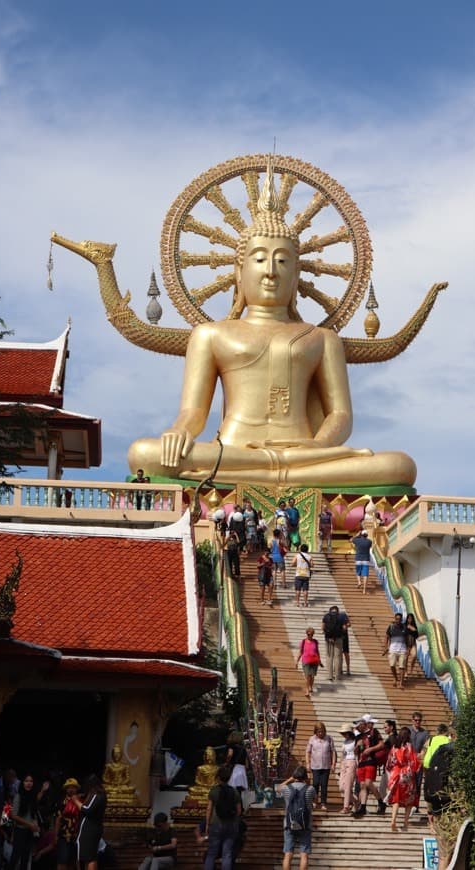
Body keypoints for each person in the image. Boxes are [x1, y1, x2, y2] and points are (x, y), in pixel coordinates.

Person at [121, 160, 417, 488]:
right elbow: (195, 413)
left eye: (282, 260)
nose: (270, 271)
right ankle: (276, 473)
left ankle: (273, 473)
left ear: (297, 274)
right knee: (145, 454)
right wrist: (179, 432)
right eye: (260, 259)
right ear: (239, 271)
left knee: (399, 465)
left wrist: (318, 446)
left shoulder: (321, 338)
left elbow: (341, 416)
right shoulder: (211, 335)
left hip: (304, 453)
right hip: (230, 452)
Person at [277, 765, 316, 870]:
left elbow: (278, 788)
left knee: (288, 854)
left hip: (289, 824)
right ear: (305, 776)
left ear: (295, 776)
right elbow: (314, 802)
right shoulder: (310, 789)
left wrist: (290, 779)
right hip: (305, 824)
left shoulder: (286, 789)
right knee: (304, 855)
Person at [203, 766, 242, 870]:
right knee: (227, 854)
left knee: (211, 854)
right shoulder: (234, 792)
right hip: (231, 825)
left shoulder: (214, 791)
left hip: (216, 824)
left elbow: (209, 809)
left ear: (218, 777)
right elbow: (239, 811)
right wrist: (233, 819)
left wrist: (207, 825)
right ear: (229, 778)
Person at [385, 727, 421, 832]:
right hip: (407, 774)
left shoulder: (394, 747)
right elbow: (414, 762)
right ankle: (405, 823)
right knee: (409, 800)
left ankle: (393, 820)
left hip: (396, 774)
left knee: (396, 799)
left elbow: (389, 763)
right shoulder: (409, 747)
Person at [352, 715, 386, 817]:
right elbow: (355, 752)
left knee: (368, 783)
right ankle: (363, 806)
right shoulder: (358, 736)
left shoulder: (374, 732)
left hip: (371, 761)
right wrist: (358, 745)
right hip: (361, 762)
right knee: (362, 785)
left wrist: (370, 749)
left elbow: (381, 744)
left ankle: (380, 801)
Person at [73, 775, 107, 870]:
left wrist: (76, 801)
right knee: (87, 857)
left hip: (90, 830)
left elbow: (87, 809)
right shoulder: (97, 795)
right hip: (90, 829)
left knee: (90, 857)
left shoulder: (98, 794)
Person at [9, 773, 40, 870]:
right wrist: (29, 824)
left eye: (31, 781)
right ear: (22, 783)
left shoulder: (33, 797)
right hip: (20, 831)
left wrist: (35, 826)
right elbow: (13, 815)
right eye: (26, 781)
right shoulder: (18, 796)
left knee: (25, 858)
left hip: (29, 832)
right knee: (15, 857)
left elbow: (33, 815)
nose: (29, 783)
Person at [305, 722, 336, 811]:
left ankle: (323, 803)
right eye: (319, 732)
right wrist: (308, 763)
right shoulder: (312, 739)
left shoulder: (329, 738)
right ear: (315, 732)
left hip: (326, 766)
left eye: (322, 732)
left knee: (324, 784)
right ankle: (314, 801)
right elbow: (308, 752)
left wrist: (333, 764)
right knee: (315, 783)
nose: (320, 734)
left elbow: (333, 751)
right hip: (315, 765)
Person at [55, 778, 81, 870]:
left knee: (74, 861)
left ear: (77, 789)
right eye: (68, 787)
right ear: (66, 789)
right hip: (63, 835)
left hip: (77, 835)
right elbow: (58, 819)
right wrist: (56, 835)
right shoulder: (62, 802)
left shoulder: (81, 801)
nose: (71, 789)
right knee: (62, 859)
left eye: (73, 787)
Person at [409, 712, 430, 813]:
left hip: (418, 760)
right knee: (409, 783)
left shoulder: (425, 733)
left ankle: (416, 805)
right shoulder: (408, 731)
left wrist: (422, 753)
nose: (417, 722)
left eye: (419, 720)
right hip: (408, 760)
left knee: (417, 783)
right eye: (416, 720)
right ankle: (408, 803)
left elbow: (426, 745)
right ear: (412, 720)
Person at [338, 724, 358, 814]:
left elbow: (358, 752)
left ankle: (346, 807)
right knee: (342, 787)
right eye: (343, 733)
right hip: (344, 763)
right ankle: (356, 800)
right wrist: (340, 765)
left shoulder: (355, 741)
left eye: (345, 733)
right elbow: (342, 754)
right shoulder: (345, 742)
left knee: (348, 786)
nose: (344, 734)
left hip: (352, 762)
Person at [383, 612, 407, 689]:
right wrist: (385, 647)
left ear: (401, 620)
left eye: (399, 619)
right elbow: (386, 637)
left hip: (402, 650)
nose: (398, 620)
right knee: (392, 665)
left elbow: (408, 638)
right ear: (395, 619)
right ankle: (395, 678)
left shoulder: (404, 627)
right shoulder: (391, 627)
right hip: (392, 649)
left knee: (402, 667)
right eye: (397, 619)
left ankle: (401, 683)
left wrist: (408, 648)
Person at [296, 628, 322, 698]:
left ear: (313, 634)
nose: (309, 635)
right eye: (308, 634)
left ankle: (311, 686)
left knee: (312, 676)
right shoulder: (303, 642)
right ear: (306, 634)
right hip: (306, 661)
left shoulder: (315, 642)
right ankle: (307, 690)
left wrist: (319, 660)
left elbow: (317, 651)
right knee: (307, 676)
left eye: (311, 634)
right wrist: (297, 661)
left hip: (314, 660)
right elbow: (300, 652)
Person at [321, 605, 344, 680]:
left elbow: (322, 627)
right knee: (337, 657)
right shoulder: (341, 617)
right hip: (338, 638)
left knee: (329, 656)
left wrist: (327, 634)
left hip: (328, 639)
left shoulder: (326, 616)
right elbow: (344, 628)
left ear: (330, 610)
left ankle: (329, 675)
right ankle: (337, 675)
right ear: (337, 611)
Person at [377, 720, 398, 804]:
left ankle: (390, 804)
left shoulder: (392, 738)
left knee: (386, 788)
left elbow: (394, 751)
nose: (384, 729)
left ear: (391, 727)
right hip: (387, 767)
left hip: (390, 767)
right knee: (382, 788)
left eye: (386, 727)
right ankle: (386, 804)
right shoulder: (391, 737)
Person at [352, 529, 372, 594]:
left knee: (358, 573)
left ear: (361, 535)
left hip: (358, 559)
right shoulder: (369, 541)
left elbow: (351, 540)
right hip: (366, 559)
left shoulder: (357, 540)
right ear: (367, 535)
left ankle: (359, 582)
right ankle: (364, 590)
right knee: (365, 575)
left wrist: (357, 535)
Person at [404, 613, 419, 678]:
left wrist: (412, 628)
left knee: (414, 655)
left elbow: (416, 635)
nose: (409, 620)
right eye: (408, 618)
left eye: (411, 619)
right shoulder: (404, 625)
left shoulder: (414, 626)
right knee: (405, 659)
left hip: (413, 644)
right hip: (406, 644)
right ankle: (405, 672)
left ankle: (411, 667)